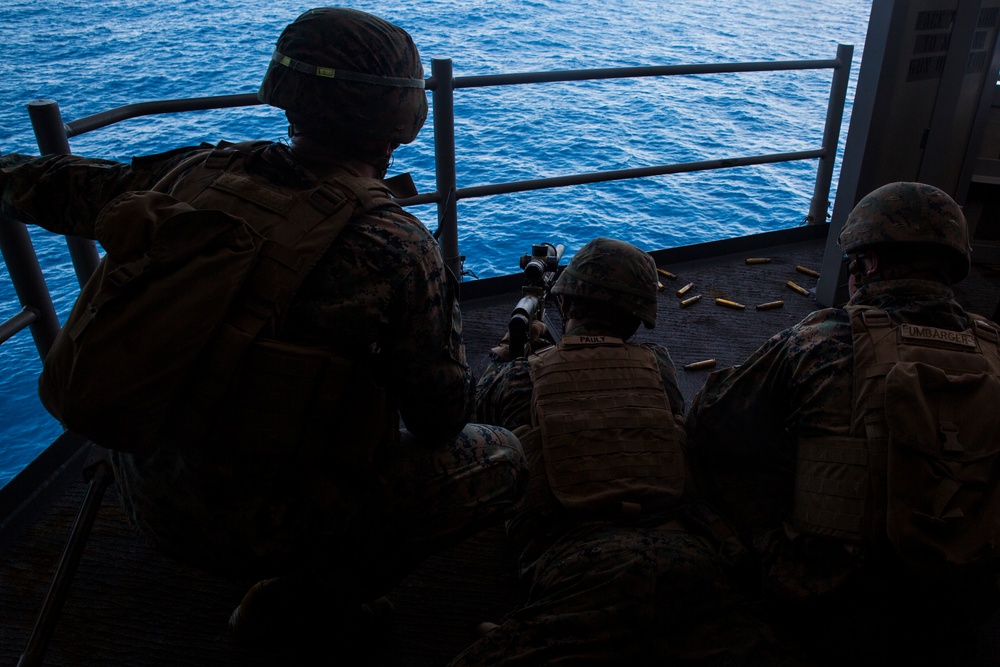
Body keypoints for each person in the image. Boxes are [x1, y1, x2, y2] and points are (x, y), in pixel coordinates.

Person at [0, 7, 527, 651]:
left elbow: (60, 187)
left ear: (286, 92)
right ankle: (311, 604)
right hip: (264, 529)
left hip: (143, 490)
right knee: (503, 457)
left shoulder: (194, 173)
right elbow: (440, 418)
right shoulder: (398, 244)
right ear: (402, 115)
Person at [686, 181, 1000, 666]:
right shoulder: (997, 351)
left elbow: (710, 418)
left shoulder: (822, 340)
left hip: (832, 604)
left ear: (867, 266)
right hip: (968, 603)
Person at [449, 237, 800, 666]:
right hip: (688, 557)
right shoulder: (660, 365)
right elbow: (604, 379)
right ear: (637, 321)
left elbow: (476, 415)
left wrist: (506, 358)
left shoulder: (515, 378)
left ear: (564, 306)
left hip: (577, 570)